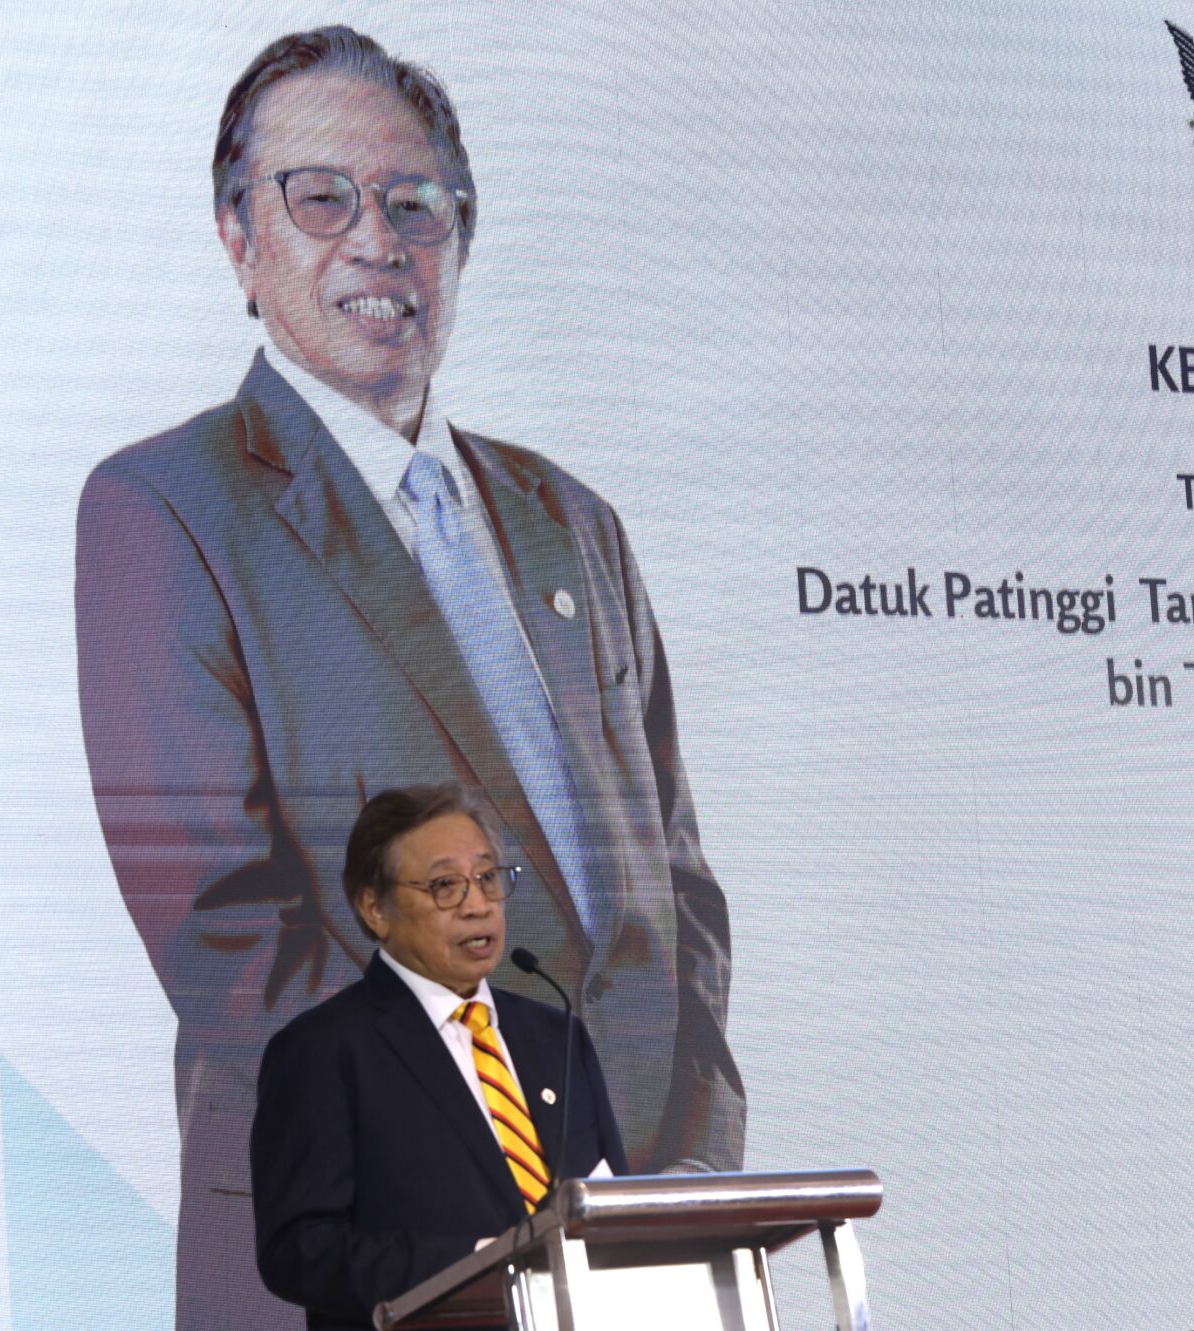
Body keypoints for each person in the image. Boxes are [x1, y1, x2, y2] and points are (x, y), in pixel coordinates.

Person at [75, 27, 743, 1331]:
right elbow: (227, 936)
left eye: (414, 203)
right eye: (322, 198)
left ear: (461, 237)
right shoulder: (164, 510)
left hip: (635, 1260)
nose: (376, 241)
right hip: (377, 1263)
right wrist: (511, 1199)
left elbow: (680, 900)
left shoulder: (575, 521)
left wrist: (693, 1181)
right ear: (238, 237)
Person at [252, 784, 627, 1330]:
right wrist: (477, 1263)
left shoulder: (557, 1036)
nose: (477, 905)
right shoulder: (322, 1051)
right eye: (445, 886)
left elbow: (612, 1204)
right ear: (375, 908)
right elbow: (300, 1250)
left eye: (487, 877)